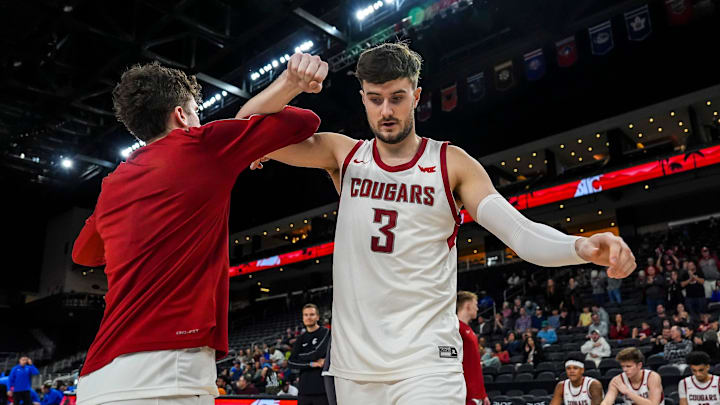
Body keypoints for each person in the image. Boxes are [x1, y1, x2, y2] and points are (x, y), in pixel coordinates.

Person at [253, 42, 636, 405]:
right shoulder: (344, 154)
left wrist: (579, 247)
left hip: (427, 362)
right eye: (375, 99)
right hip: (355, 368)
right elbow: (243, 133)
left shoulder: (450, 162)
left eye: (397, 98)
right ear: (363, 100)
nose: (386, 111)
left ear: (416, 96)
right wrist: (289, 84)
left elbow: (518, 232)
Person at [71, 54, 326, 405]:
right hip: (165, 375)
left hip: (97, 381)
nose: (198, 120)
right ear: (180, 115)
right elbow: (303, 122)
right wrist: (289, 85)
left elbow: (83, 254)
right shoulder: (202, 144)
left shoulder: (114, 181)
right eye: (195, 112)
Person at [288, 304, 330, 405]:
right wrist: (311, 364)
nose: (308, 317)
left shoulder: (326, 333)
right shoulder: (300, 338)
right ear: (303, 318)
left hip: (322, 389)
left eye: (312, 314)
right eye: (306, 315)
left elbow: (317, 352)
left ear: (318, 317)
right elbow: (291, 362)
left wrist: (300, 357)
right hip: (304, 391)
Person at [457, 291, 490, 405]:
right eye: (475, 304)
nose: (477, 308)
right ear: (468, 306)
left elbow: (475, 365)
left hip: (476, 394)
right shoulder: (456, 328)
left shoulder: (469, 330)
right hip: (465, 394)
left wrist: (483, 394)